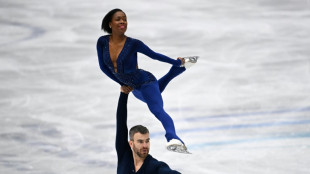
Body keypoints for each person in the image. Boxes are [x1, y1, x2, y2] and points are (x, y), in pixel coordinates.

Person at [97, 8, 197, 153]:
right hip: (135, 89)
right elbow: (103, 67)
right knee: (155, 94)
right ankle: (176, 71)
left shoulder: (133, 43)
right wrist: (122, 84)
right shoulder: (102, 42)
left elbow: (155, 55)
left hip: (146, 82)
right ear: (110, 23)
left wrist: (176, 62)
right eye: (118, 19)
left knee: (157, 109)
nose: (123, 21)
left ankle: (173, 138)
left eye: (124, 18)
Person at [116, 89, 181, 173]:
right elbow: (121, 124)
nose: (145, 145)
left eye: (147, 141)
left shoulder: (155, 167)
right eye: (140, 141)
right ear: (131, 143)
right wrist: (124, 94)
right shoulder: (124, 156)